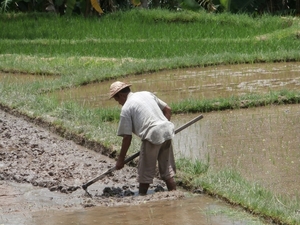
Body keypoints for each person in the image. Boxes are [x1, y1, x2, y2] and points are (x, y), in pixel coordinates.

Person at [109, 81, 177, 195]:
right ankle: (175, 194)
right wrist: (162, 127)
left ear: (121, 95)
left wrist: (120, 160)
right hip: (167, 130)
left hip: (152, 134)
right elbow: (168, 109)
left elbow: (127, 137)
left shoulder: (126, 108)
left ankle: (142, 199)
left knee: (145, 173)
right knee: (167, 171)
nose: (119, 103)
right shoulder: (146, 94)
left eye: (117, 100)